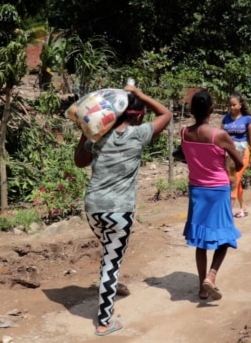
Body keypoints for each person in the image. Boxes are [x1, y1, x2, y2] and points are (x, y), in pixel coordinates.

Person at [74, 85, 171, 336]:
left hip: (94, 208)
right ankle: (104, 322)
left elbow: (79, 161)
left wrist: (87, 130)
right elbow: (166, 115)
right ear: (138, 115)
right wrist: (141, 94)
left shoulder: (98, 136)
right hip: (120, 212)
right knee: (111, 262)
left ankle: (112, 285)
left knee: (109, 254)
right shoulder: (139, 134)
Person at [181, 89, 244, 301]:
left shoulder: (184, 133)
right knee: (225, 237)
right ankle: (212, 276)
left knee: (201, 240)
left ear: (191, 110)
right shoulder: (220, 135)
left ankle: (202, 288)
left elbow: (185, 155)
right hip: (218, 190)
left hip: (197, 189)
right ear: (211, 109)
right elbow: (240, 162)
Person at [221, 94, 251, 217]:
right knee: (234, 179)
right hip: (228, 152)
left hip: (242, 152)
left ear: (240, 105)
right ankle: (243, 207)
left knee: (234, 178)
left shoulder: (248, 119)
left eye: (234, 104)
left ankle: (227, 211)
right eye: (230, 105)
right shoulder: (225, 119)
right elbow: (220, 135)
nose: (231, 107)